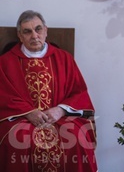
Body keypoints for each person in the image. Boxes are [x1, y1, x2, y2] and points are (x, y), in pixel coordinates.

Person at [0, 10, 98, 171]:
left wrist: (60, 110)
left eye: (38, 29)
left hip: (59, 117)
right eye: (27, 31)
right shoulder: (5, 62)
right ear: (20, 35)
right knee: (16, 140)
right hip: (21, 119)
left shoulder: (64, 58)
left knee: (77, 137)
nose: (34, 35)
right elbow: (3, 96)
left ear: (46, 30)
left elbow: (79, 92)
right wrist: (28, 112)